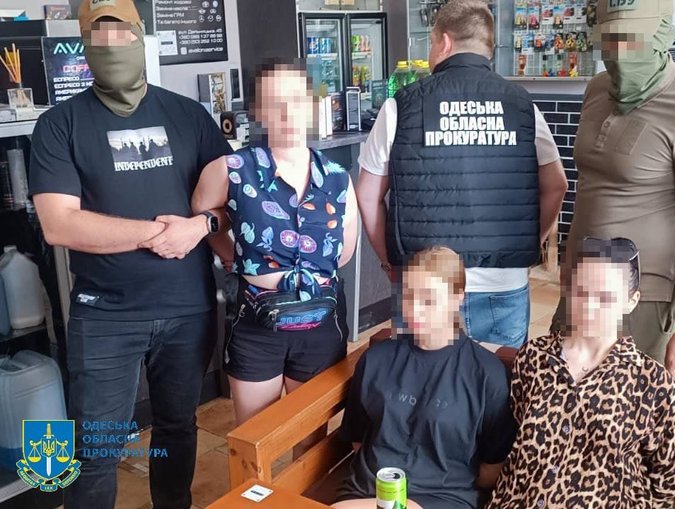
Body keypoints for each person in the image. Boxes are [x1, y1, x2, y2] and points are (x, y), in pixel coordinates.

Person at [27, 1, 233, 507]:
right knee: (97, 449)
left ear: (141, 38)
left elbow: (230, 203)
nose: (113, 46)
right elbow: (59, 224)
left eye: (122, 34)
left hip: (187, 308)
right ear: (83, 46)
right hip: (105, 315)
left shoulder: (190, 116)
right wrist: (160, 234)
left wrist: (201, 226)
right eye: (99, 37)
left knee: (177, 428)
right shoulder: (59, 125)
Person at [357, 0, 567, 347]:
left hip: (424, 287)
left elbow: (367, 196)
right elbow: (557, 185)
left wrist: (389, 263)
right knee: (498, 377)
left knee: (422, 378)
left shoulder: (400, 106)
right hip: (503, 285)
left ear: (444, 42)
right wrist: (527, 243)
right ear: (488, 46)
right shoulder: (522, 104)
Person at [551, 0, 675, 376]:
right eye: (610, 39)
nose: (620, 52)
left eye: (632, 39)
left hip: (642, 300)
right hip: (580, 288)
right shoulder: (597, 89)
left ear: (663, 34)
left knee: (624, 405)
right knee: (565, 393)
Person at [191, 61, 359, 444]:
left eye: (297, 100)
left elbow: (343, 253)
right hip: (256, 328)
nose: (287, 113)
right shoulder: (231, 169)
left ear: (312, 105)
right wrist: (232, 256)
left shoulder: (337, 177)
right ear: (258, 111)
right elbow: (201, 213)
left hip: (320, 326)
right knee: (254, 442)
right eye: (274, 103)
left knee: (311, 443)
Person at [490, 237, 675, 509]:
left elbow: (667, 483)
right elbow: (515, 440)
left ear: (631, 301)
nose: (589, 306)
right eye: (581, 292)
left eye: (605, 298)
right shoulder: (534, 358)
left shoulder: (655, 386)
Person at [333, 247, 516, 509]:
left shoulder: (487, 375)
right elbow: (358, 440)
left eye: (429, 300)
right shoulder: (376, 359)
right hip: (371, 491)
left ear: (457, 297)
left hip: (445, 498)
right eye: (409, 296)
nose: (415, 310)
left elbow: (492, 469)